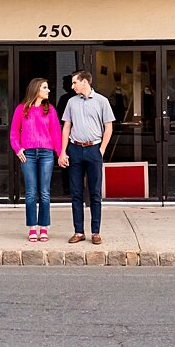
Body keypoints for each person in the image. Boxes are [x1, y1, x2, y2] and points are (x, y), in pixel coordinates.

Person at [58, 70, 115, 246]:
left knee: (95, 193)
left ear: (85, 82)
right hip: (75, 148)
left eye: (75, 82)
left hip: (94, 149)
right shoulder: (71, 102)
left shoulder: (102, 101)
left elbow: (109, 127)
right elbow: (66, 127)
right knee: (76, 193)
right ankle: (78, 231)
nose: (72, 86)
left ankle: (96, 232)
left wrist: (102, 150)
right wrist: (63, 151)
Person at [9, 77, 61, 243]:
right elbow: (14, 132)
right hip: (28, 154)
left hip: (46, 153)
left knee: (44, 193)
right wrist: (18, 149)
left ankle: (44, 227)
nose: (48, 90)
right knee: (31, 193)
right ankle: (32, 228)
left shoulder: (50, 109)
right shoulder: (21, 109)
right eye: (45, 88)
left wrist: (60, 153)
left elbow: (56, 133)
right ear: (36, 90)